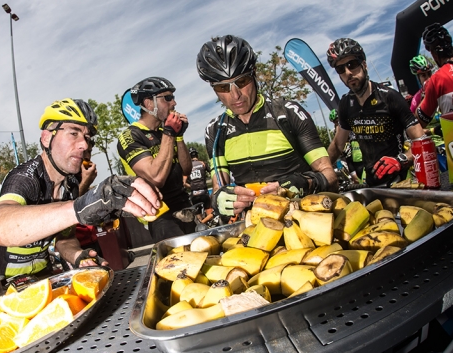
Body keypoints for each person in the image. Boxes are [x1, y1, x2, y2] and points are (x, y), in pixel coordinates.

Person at [0, 98, 160, 278]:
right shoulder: (25, 177)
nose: (84, 145)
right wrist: (77, 208)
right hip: (5, 281)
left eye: (87, 138)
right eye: (74, 133)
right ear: (46, 138)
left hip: (43, 274)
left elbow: (64, 240)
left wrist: (79, 256)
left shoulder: (71, 184)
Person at [196, 35, 337, 217]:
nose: (235, 95)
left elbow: (330, 176)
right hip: (256, 227)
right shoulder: (215, 131)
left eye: (242, 82)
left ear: (254, 73)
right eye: (223, 88)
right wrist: (219, 200)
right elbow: (218, 189)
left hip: (304, 218)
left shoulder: (288, 113)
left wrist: (306, 182)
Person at [326, 38, 425, 187]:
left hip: (400, 182)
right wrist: (321, 171)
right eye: (340, 69)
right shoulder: (346, 104)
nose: (348, 72)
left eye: (351, 65)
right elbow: (338, 145)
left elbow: (421, 140)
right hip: (372, 185)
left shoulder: (390, 97)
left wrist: (402, 159)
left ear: (364, 65)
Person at [116, 77, 195, 240]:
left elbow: (186, 169)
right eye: (167, 98)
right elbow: (155, 177)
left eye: (173, 97)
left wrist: (179, 136)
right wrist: (169, 133)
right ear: (149, 103)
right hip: (160, 212)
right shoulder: (130, 135)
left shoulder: (165, 132)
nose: (174, 103)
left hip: (184, 203)